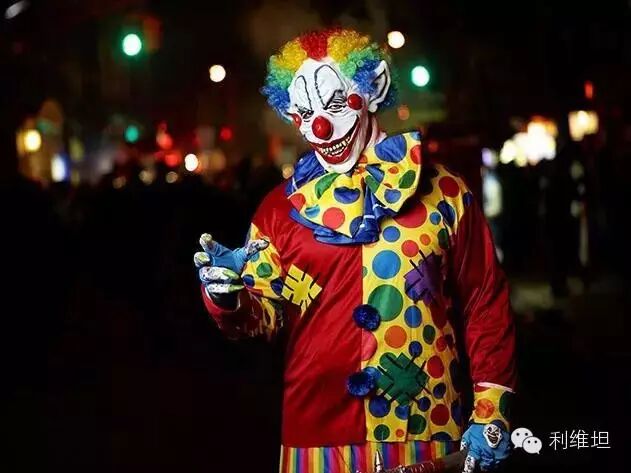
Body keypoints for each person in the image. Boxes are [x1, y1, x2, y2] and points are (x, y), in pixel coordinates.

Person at [194, 29, 516, 473]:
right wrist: (227, 297)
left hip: (428, 429)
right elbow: (263, 317)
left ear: (374, 89)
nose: (320, 127)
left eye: (334, 105)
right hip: (317, 437)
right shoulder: (279, 210)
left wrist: (492, 410)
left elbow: (485, 302)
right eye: (306, 113)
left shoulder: (444, 192)